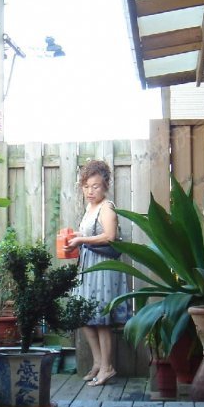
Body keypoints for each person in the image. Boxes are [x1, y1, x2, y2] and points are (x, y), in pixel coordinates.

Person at [65, 159, 130, 387]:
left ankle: (107, 367)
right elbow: (90, 235)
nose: (90, 191)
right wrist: (76, 239)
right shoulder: (90, 208)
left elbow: (109, 236)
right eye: (86, 186)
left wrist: (81, 240)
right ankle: (98, 362)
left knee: (101, 319)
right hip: (88, 267)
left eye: (95, 186)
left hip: (103, 268)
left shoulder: (107, 207)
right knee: (83, 315)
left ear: (105, 186)